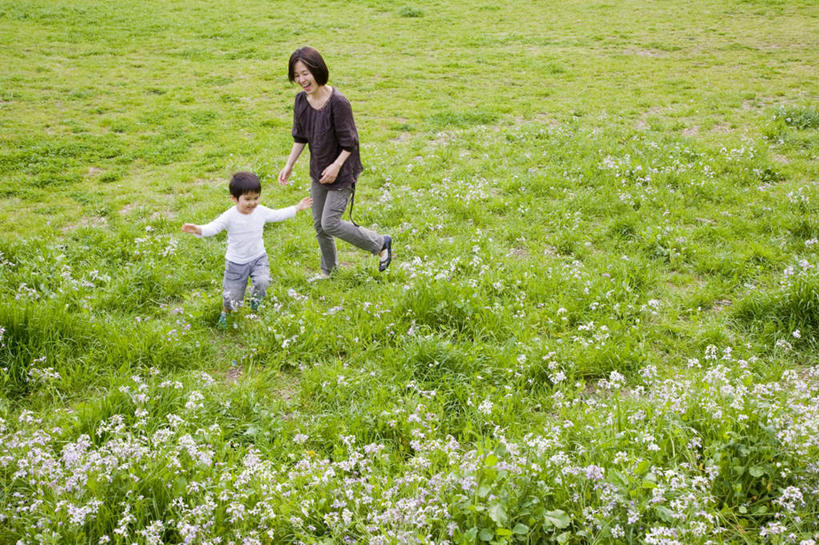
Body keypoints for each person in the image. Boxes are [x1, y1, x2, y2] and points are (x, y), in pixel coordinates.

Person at [278, 46, 392, 279]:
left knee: (329, 222)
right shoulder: (301, 101)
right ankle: (328, 272)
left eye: (305, 73)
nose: (301, 80)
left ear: (317, 70)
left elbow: (350, 142)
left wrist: (336, 166)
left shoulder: (338, 102)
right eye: (297, 75)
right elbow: (300, 136)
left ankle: (380, 242)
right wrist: (289, 164)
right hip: (318, 170)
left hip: (342, 171)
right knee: (320, 226)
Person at [182, 171, 312, 328]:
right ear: (234, 199)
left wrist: (296, 208)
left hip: (258, 257)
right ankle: (226, 314)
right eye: (247, 199)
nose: (252, 203)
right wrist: (198, 229)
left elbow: (278, 214)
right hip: (236, 263)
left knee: (263, 281)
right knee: (233, 295)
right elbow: (214, 227)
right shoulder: (230, 216)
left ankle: (256, 301)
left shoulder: (261, 211)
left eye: (256, 198)